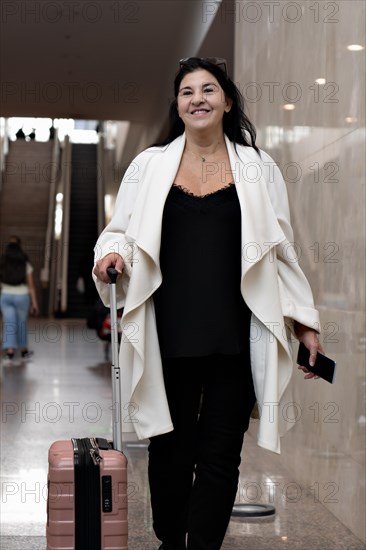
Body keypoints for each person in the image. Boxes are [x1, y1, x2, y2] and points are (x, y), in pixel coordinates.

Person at [93, 57, 322, 550]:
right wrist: (110, 254)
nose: (198, 98)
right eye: (187, 91)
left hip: (234, 339)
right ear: (177, 105)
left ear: (227, 101)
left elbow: (283, 250)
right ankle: (171, 540)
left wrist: (304, 322)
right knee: (169, 452)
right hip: (166, 336)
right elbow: (119, 234)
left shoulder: (259, 169)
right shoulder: (149, 166)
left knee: (221, 457)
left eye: (209, 89)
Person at [0, 237, 39, 362]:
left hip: (5, 294)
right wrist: (35, 303)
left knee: (8, 323)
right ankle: (23, 351)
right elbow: (31, 285)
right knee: (21, 323)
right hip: (22, 295)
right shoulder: (25, 263)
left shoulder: (2, 262)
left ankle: (10, 351)